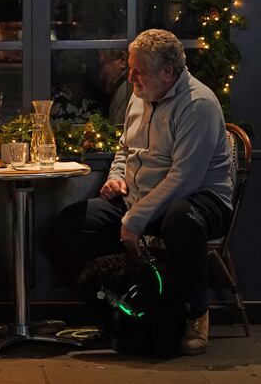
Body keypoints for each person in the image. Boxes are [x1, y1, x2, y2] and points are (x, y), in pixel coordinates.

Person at [53, 29, 233, 355]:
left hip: (199, 199)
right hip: (139, 196)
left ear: (168, 72)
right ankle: (128, 304)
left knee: (182, 220)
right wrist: (116, 177)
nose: (130, 76)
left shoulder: (198, 104)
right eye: (131, 67)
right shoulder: (139, 94)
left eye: (139, 70)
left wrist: (134, 218)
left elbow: (185, 177)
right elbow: (124, 148)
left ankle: (195, 314)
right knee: (72, 223)